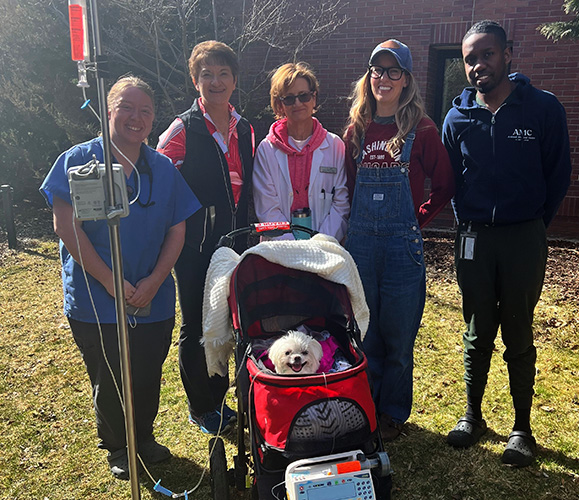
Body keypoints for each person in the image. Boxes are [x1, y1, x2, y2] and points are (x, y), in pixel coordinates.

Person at [40, 76, 201, 479]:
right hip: (97, 297)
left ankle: (142, 436)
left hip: (153, 296)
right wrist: (111, 281)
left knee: (147, 372)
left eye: (146, 111)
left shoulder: (162, 168)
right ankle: (117, 445)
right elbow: (66, 226)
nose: (137, 117)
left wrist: (153, 281)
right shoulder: (77, 161)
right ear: (108, 110)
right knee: (110, 375)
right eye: (127, 107)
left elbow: (177, 228)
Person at [442, 20, 572, 466]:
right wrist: (469, 226)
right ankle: (472, 416)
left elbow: (557, 176)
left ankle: (521, 428)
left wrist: (531, 225)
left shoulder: (542, 109)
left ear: (508, 53)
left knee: (518, 326)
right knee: (476, 329)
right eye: (470, 58)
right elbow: (451, 182)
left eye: (487, 54)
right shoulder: (457, 118)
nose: (479, 64)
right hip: (474, 238)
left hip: (524, 238)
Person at [343, 39, 455, 441]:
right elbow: (350, 186)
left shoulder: (422, 129)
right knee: (364, 332)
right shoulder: (357, 128)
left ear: (406, 80)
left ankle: (392, 413)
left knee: (398, 336)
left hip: (400, 248)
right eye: (377, 70)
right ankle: (366, 407)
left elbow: (444, 185)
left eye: (394, 72)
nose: (384, 78)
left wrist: (417, 221)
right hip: (361, 246)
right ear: (369, 76)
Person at [157, 41, 255, 435]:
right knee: (198, 325)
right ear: (196, 81)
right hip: (197, 247)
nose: (215, 81)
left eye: (223, 74)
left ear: (234, 80)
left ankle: (232, 397)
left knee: (233, 321)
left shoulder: (244, 128)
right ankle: (204, 406)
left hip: (237, 244)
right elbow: (159, 181)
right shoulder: (182, 129)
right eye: (206, 75)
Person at [253, 62, 349, 242]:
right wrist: (294, 250)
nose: (297, 103)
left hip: (325, 250)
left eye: (303, 96)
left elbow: (341, 205)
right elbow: (267, 209)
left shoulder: (335, 146)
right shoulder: (266, 150)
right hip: (280, 249)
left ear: (314, 98)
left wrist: (320, 244)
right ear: (279, 105)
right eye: (288, 98)